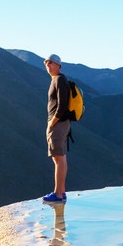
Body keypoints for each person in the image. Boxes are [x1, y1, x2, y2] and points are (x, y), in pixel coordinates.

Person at [42, 53, 70, 203]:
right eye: (46, 62)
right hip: (61, 123)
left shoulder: (59, 80)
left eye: (51, 62)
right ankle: (61, 191)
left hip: (58, 124)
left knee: (58, 158)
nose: (48, 65)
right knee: (61, 158)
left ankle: (57, 194)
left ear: (59, 65)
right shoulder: (57, 80)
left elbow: (62, 104)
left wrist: (53, 122)